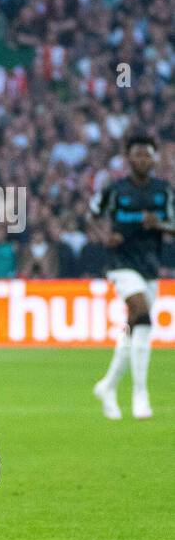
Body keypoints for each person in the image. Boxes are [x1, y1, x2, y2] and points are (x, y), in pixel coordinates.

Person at [89, 133, 174, 420]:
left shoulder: (164, 191)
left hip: (150, 265)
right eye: (137, 154)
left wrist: (160, 223)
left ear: (153, 158)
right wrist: (105, 237)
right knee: (142, 313)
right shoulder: (115, 190)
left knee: (134, 326)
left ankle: (108, 385)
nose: (142, 159)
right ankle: (140, 394)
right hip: (121, 263)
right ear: (129, 158)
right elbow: (92, 214)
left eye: (147, 154)